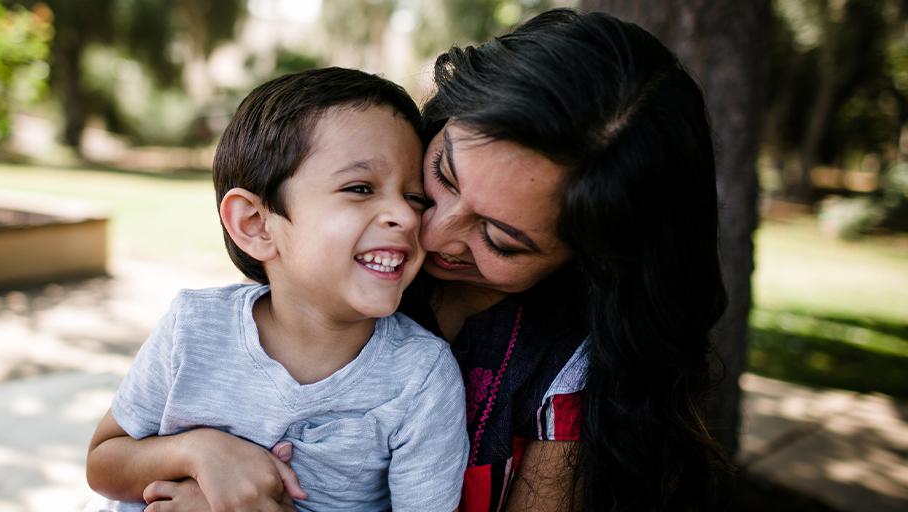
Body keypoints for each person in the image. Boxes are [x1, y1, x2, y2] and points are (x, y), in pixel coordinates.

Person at [93, 7, 728, 511]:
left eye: (502, 239)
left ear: (590, 260)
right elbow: (114, 455)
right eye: (442, 177)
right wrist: (199, 452)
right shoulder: (278, 295)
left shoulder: (546, 375)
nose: (433, 230)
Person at [85, 67, 469, 512]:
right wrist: (200, 452)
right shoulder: (194, 327)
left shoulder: (420, 378)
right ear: (255, 225)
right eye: (360, 188)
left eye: (414, 197)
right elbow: (103, 464)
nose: (404, 216)